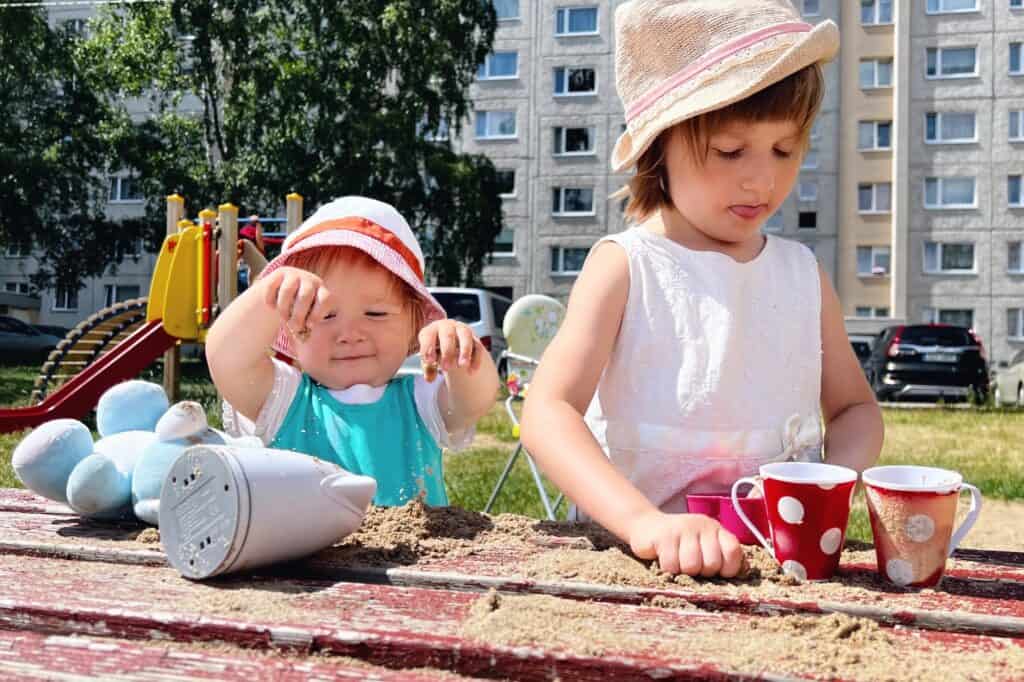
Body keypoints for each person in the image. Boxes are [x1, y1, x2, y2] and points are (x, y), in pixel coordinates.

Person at [520, 0, 883, 578]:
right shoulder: (627, 266)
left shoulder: (801, 274)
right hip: (633, 567)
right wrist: (644, 523)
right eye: (731, 150)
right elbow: (548, 412)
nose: (762, 178)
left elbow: (856, 410)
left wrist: (828, 485)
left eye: (785, 149)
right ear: (660, 144)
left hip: (776, 568)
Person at [207, 196, 500, 506]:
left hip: (417, 553)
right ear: (291, 331)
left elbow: (473, 402)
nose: (349, 335)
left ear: (414, 323)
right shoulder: (285, 400)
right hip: (307, 555)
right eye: (324, 315)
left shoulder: (419, 402)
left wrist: (461, 356)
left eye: (375, 314)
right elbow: (227, 360)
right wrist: (270, 294)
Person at [236, 215, 266, 292]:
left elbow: (259, 238)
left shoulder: (246, 244)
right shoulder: (257, 251)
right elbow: (259, 238)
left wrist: (257, 224)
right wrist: (257, 223)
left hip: (250, 278)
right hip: (248, 278)